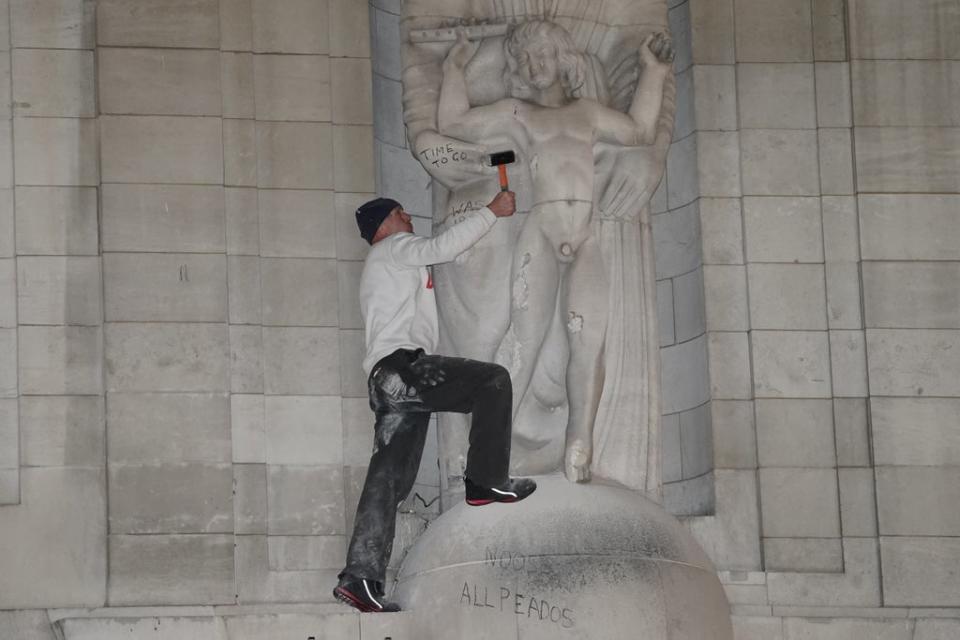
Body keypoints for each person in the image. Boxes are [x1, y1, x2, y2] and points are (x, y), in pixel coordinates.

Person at [333, 191, 537, 613]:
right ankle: (485, 481)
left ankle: (360, 578)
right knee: (493, 381)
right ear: (383, 227)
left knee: (388, 481)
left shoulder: (385, 262)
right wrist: (491, 212)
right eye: (398, 213)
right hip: (405, 369)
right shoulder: (395, 248)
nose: (408, 216)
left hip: (385, 381)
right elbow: (441, 248)